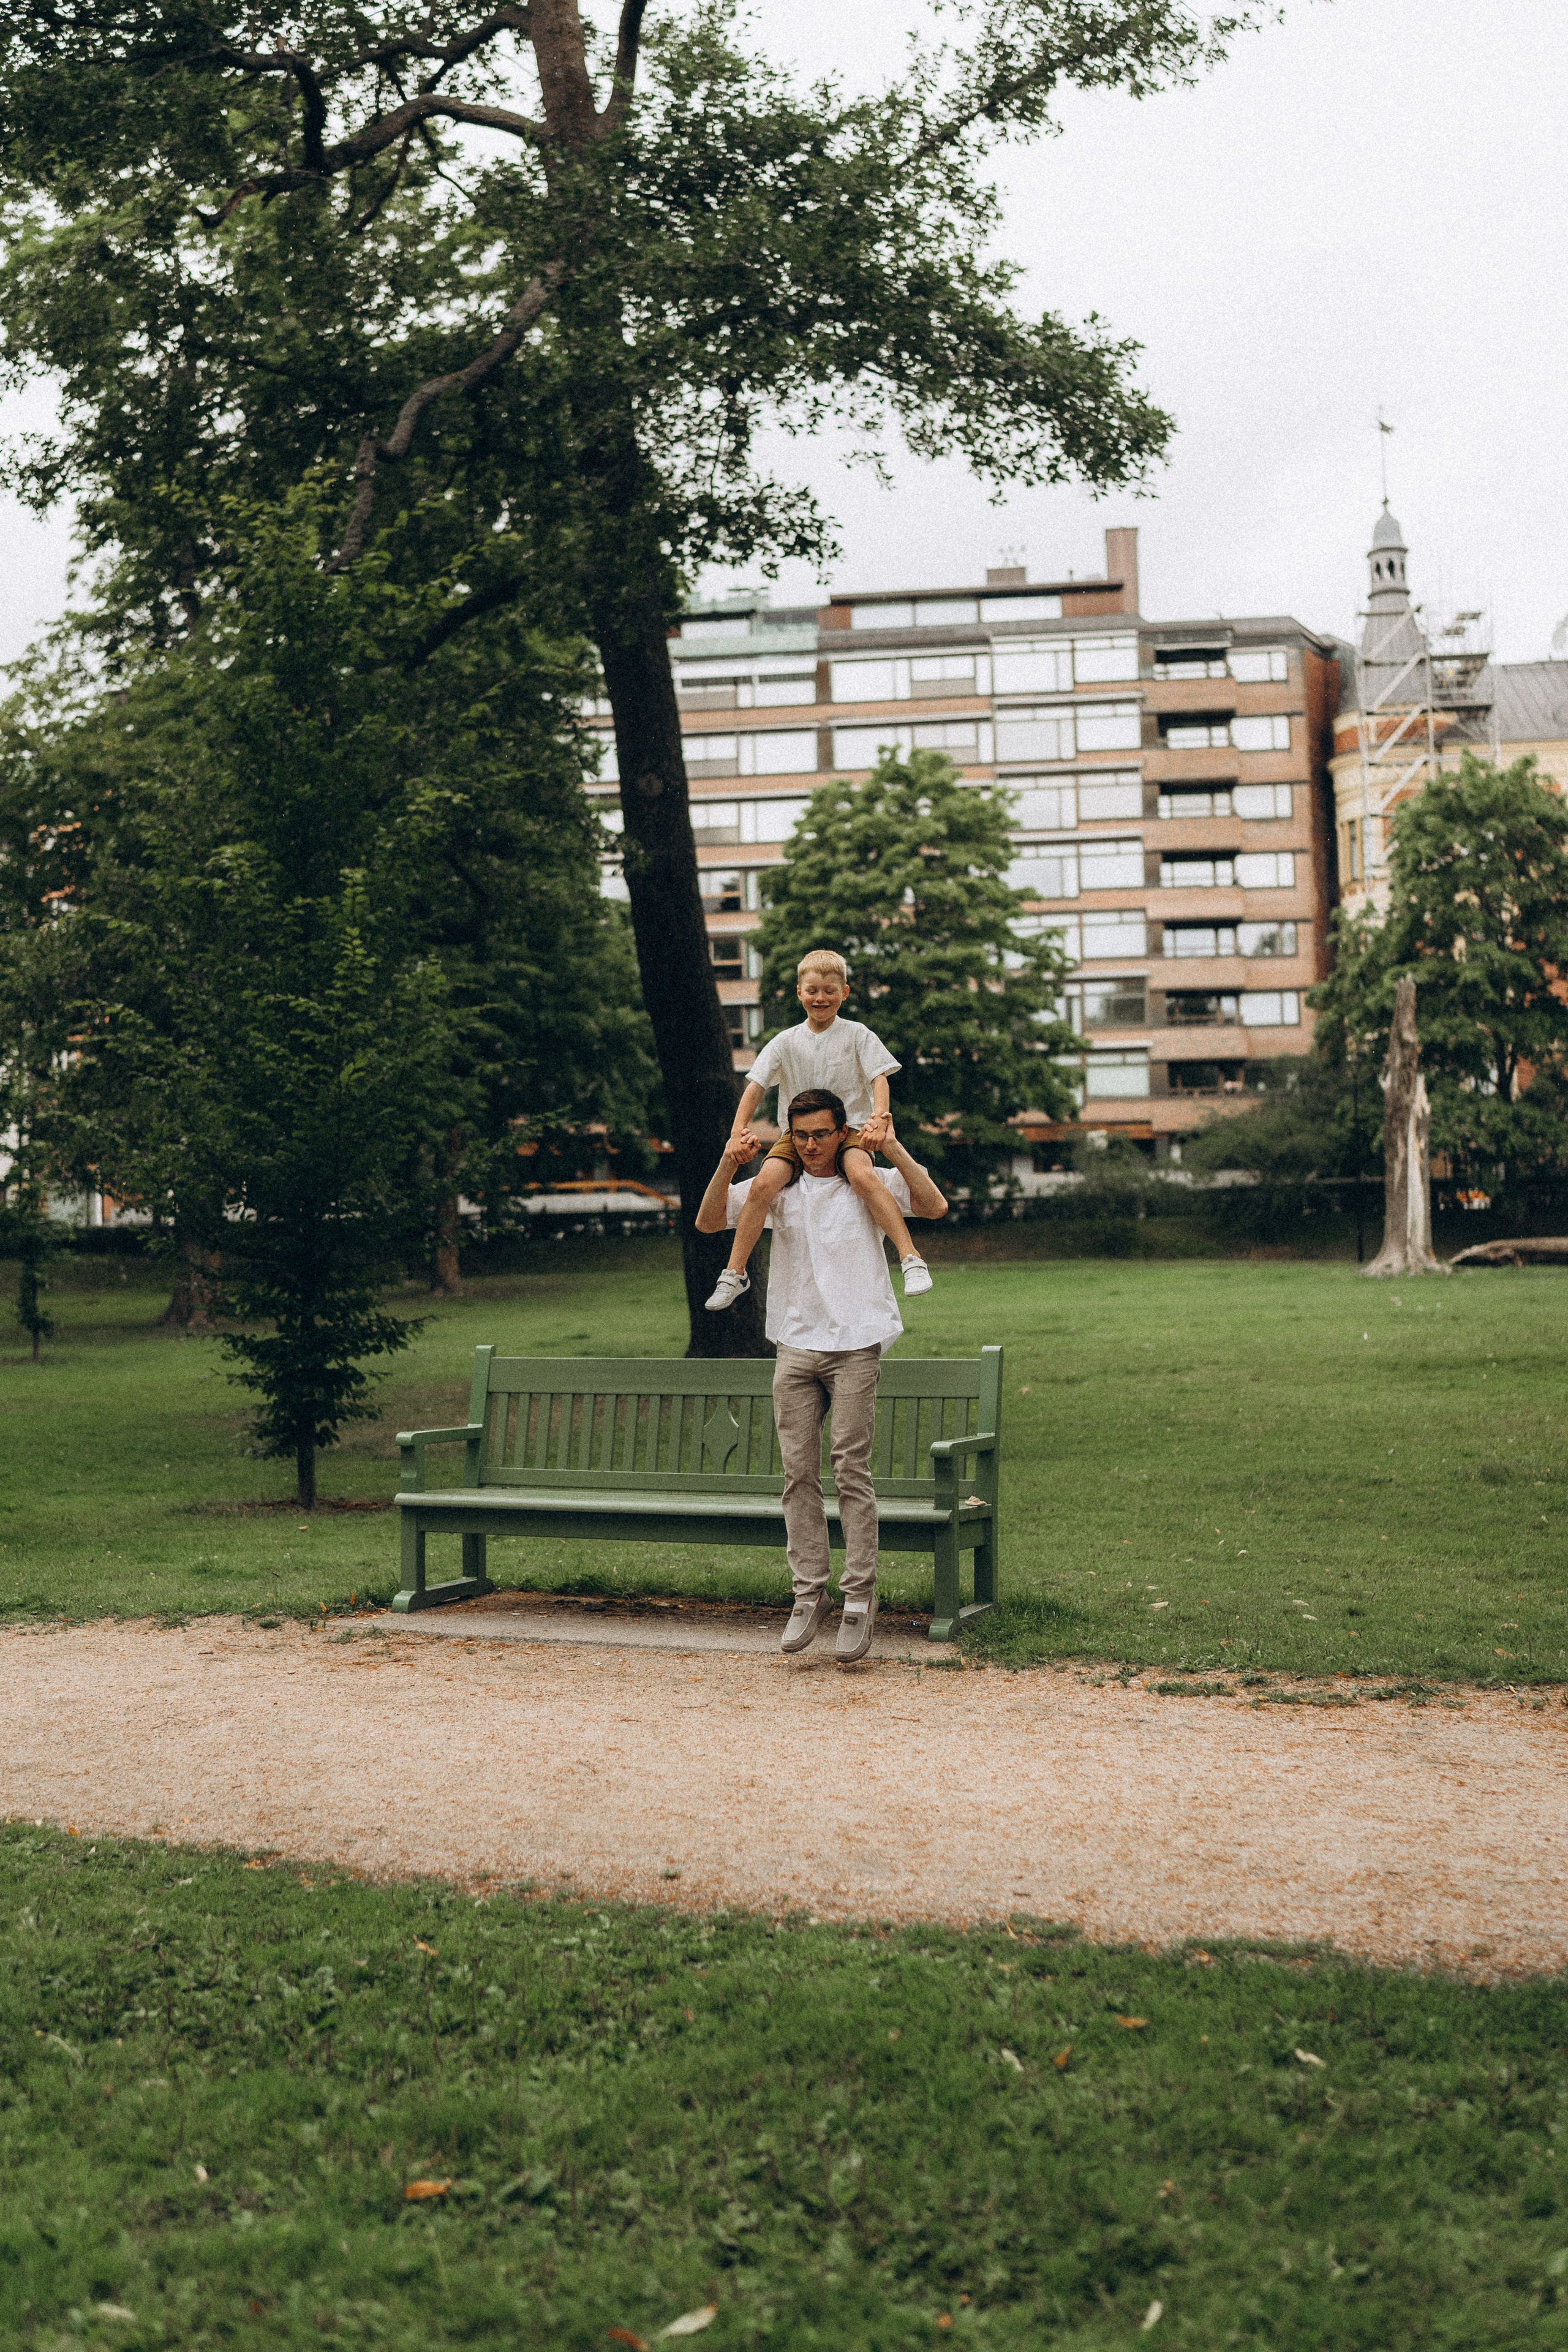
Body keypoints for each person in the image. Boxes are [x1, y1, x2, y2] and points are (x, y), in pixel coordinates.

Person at [694, 1087, 948, 1662]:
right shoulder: (779, 1189)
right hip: (795, 1345)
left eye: (822, 1135)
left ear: (842, 1133)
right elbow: (709, 1220)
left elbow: (934, 1206)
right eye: (801, 1135)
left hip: (856, 1344)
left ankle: (859, 1597)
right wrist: (729, 1162)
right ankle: (809, 1593)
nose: (811, 1146)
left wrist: (893, 1147)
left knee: (850, 1469)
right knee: (797, 1474)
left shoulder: (866, 1181)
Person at [703, 948, 931, 1312]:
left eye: (829, 990)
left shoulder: (857, 1035)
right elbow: (755, 1086)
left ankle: (910, 1258)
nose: (820, 998)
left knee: (863, 1176)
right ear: (799, 993)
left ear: (845, 993)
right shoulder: (786, 1041)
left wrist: (880, 1119)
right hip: (797, 1134)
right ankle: (734, 1272)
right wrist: (736, 1132)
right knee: (762, 1185)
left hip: (848, 1130)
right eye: (812, 991)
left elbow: (879, 1078)